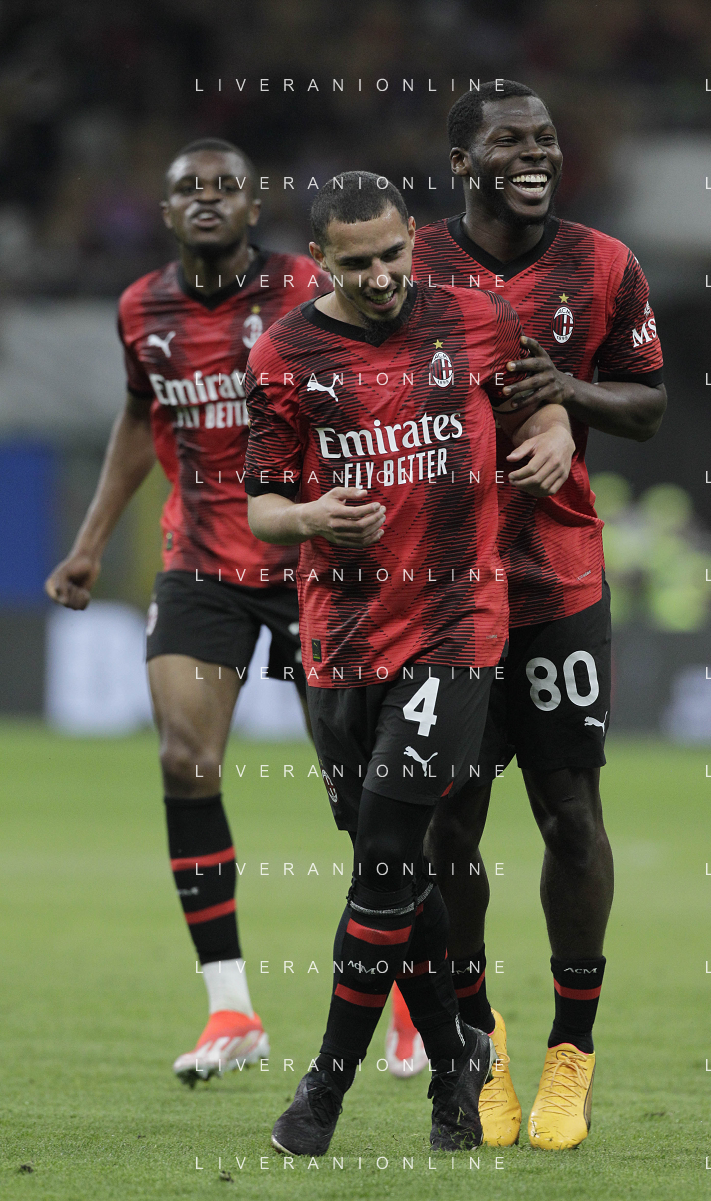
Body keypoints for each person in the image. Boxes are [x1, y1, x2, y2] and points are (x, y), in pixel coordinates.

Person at [244, 171, 575, 1154]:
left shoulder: (475, 319)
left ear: (410, 239)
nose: (382, 274)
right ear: (321, 262)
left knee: (389, 854)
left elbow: (540, 406)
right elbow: (262, 506)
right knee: (391, 869)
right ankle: (457, 1057)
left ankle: (323, 1091)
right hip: (339, 639)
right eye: (358, 264)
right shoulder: (284, 355)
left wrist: (555, 435)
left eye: (393, 253)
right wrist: (312, 515)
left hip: (454, 626)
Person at [386, 80, 667, 1150]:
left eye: (545, 138)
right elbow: (364, 389)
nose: (535, 153)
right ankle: (478, 1039)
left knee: (569, 814)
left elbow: (646, 403)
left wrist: (567, 399)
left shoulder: (605, 265)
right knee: (447, 822)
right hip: (441, 591)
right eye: (509, 141)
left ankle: (570, 1051)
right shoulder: (410, 264)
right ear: (463, 162)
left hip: (556, 581)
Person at [45, 138, 326, 1084]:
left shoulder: (305, 289)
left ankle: (410, 993)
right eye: (188, 190)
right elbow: (141, 416)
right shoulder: (142, 308)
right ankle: (232, 1009)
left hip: (311, 561)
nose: (207, 199)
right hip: (201, 562)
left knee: (360, 790)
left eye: (224, 187)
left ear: (254, 206)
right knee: (183, 758)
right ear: (166, 213)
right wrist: (90, 542)